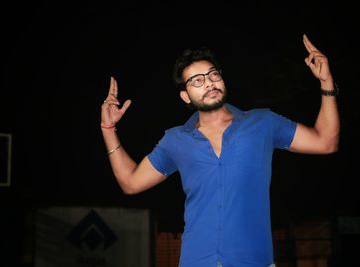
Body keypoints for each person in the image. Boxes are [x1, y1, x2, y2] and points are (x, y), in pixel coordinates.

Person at [100, 34, 340, 267]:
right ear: (185, 96)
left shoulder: (262, 123)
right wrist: (108, 128)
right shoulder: (175, 140)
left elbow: (326, 142)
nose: (209, 83)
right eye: (197, 80)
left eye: (213, 74)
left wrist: (326, 82)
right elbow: (130, 182)